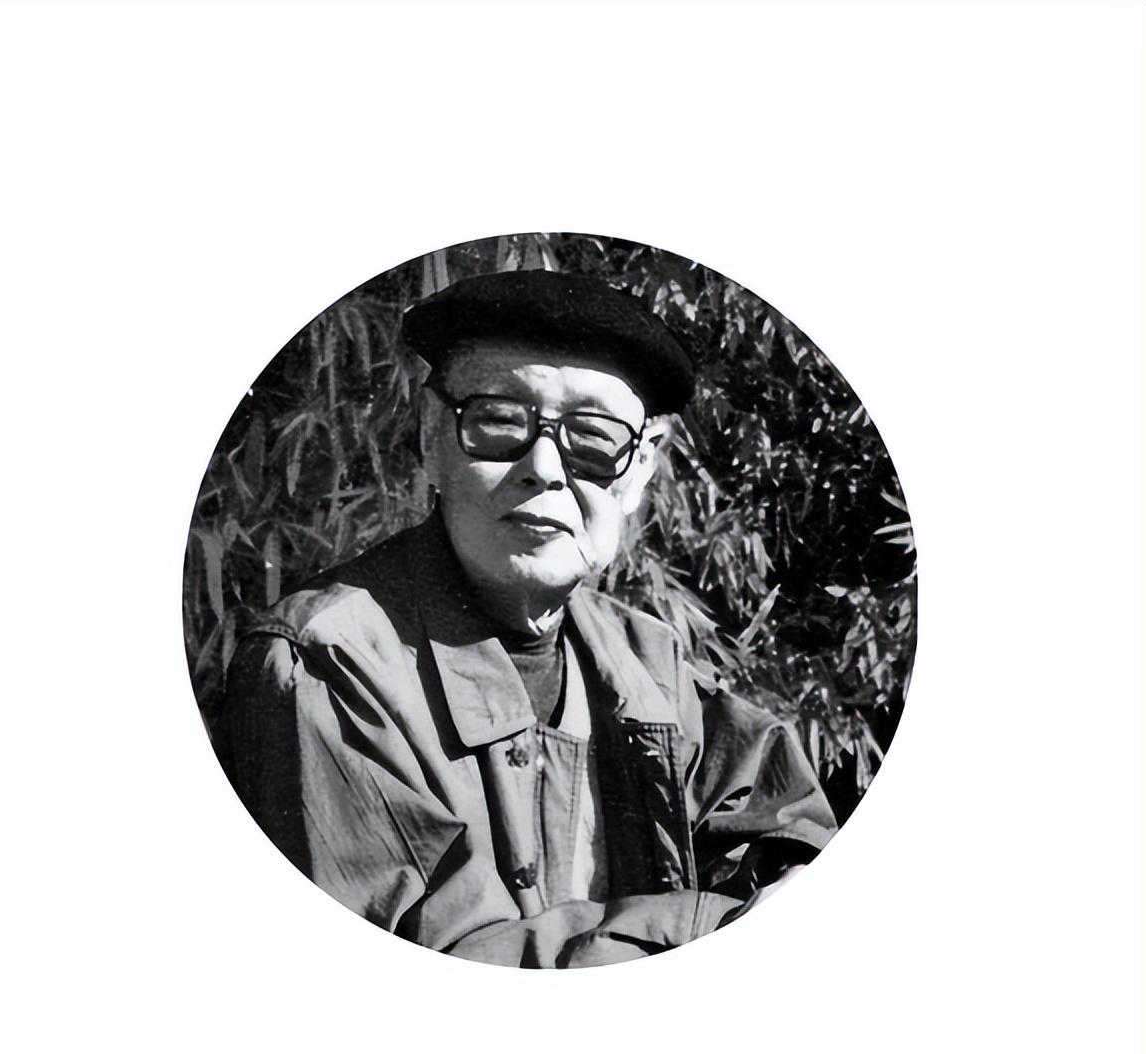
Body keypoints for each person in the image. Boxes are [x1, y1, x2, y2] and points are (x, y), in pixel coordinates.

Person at [217, 269, 837, 968]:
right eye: (500, 421)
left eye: (593, 437)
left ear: (640, 471)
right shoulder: (325, 662)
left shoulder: (645, 658)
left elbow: (782, 819)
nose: (544, 467)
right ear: (431, 437)